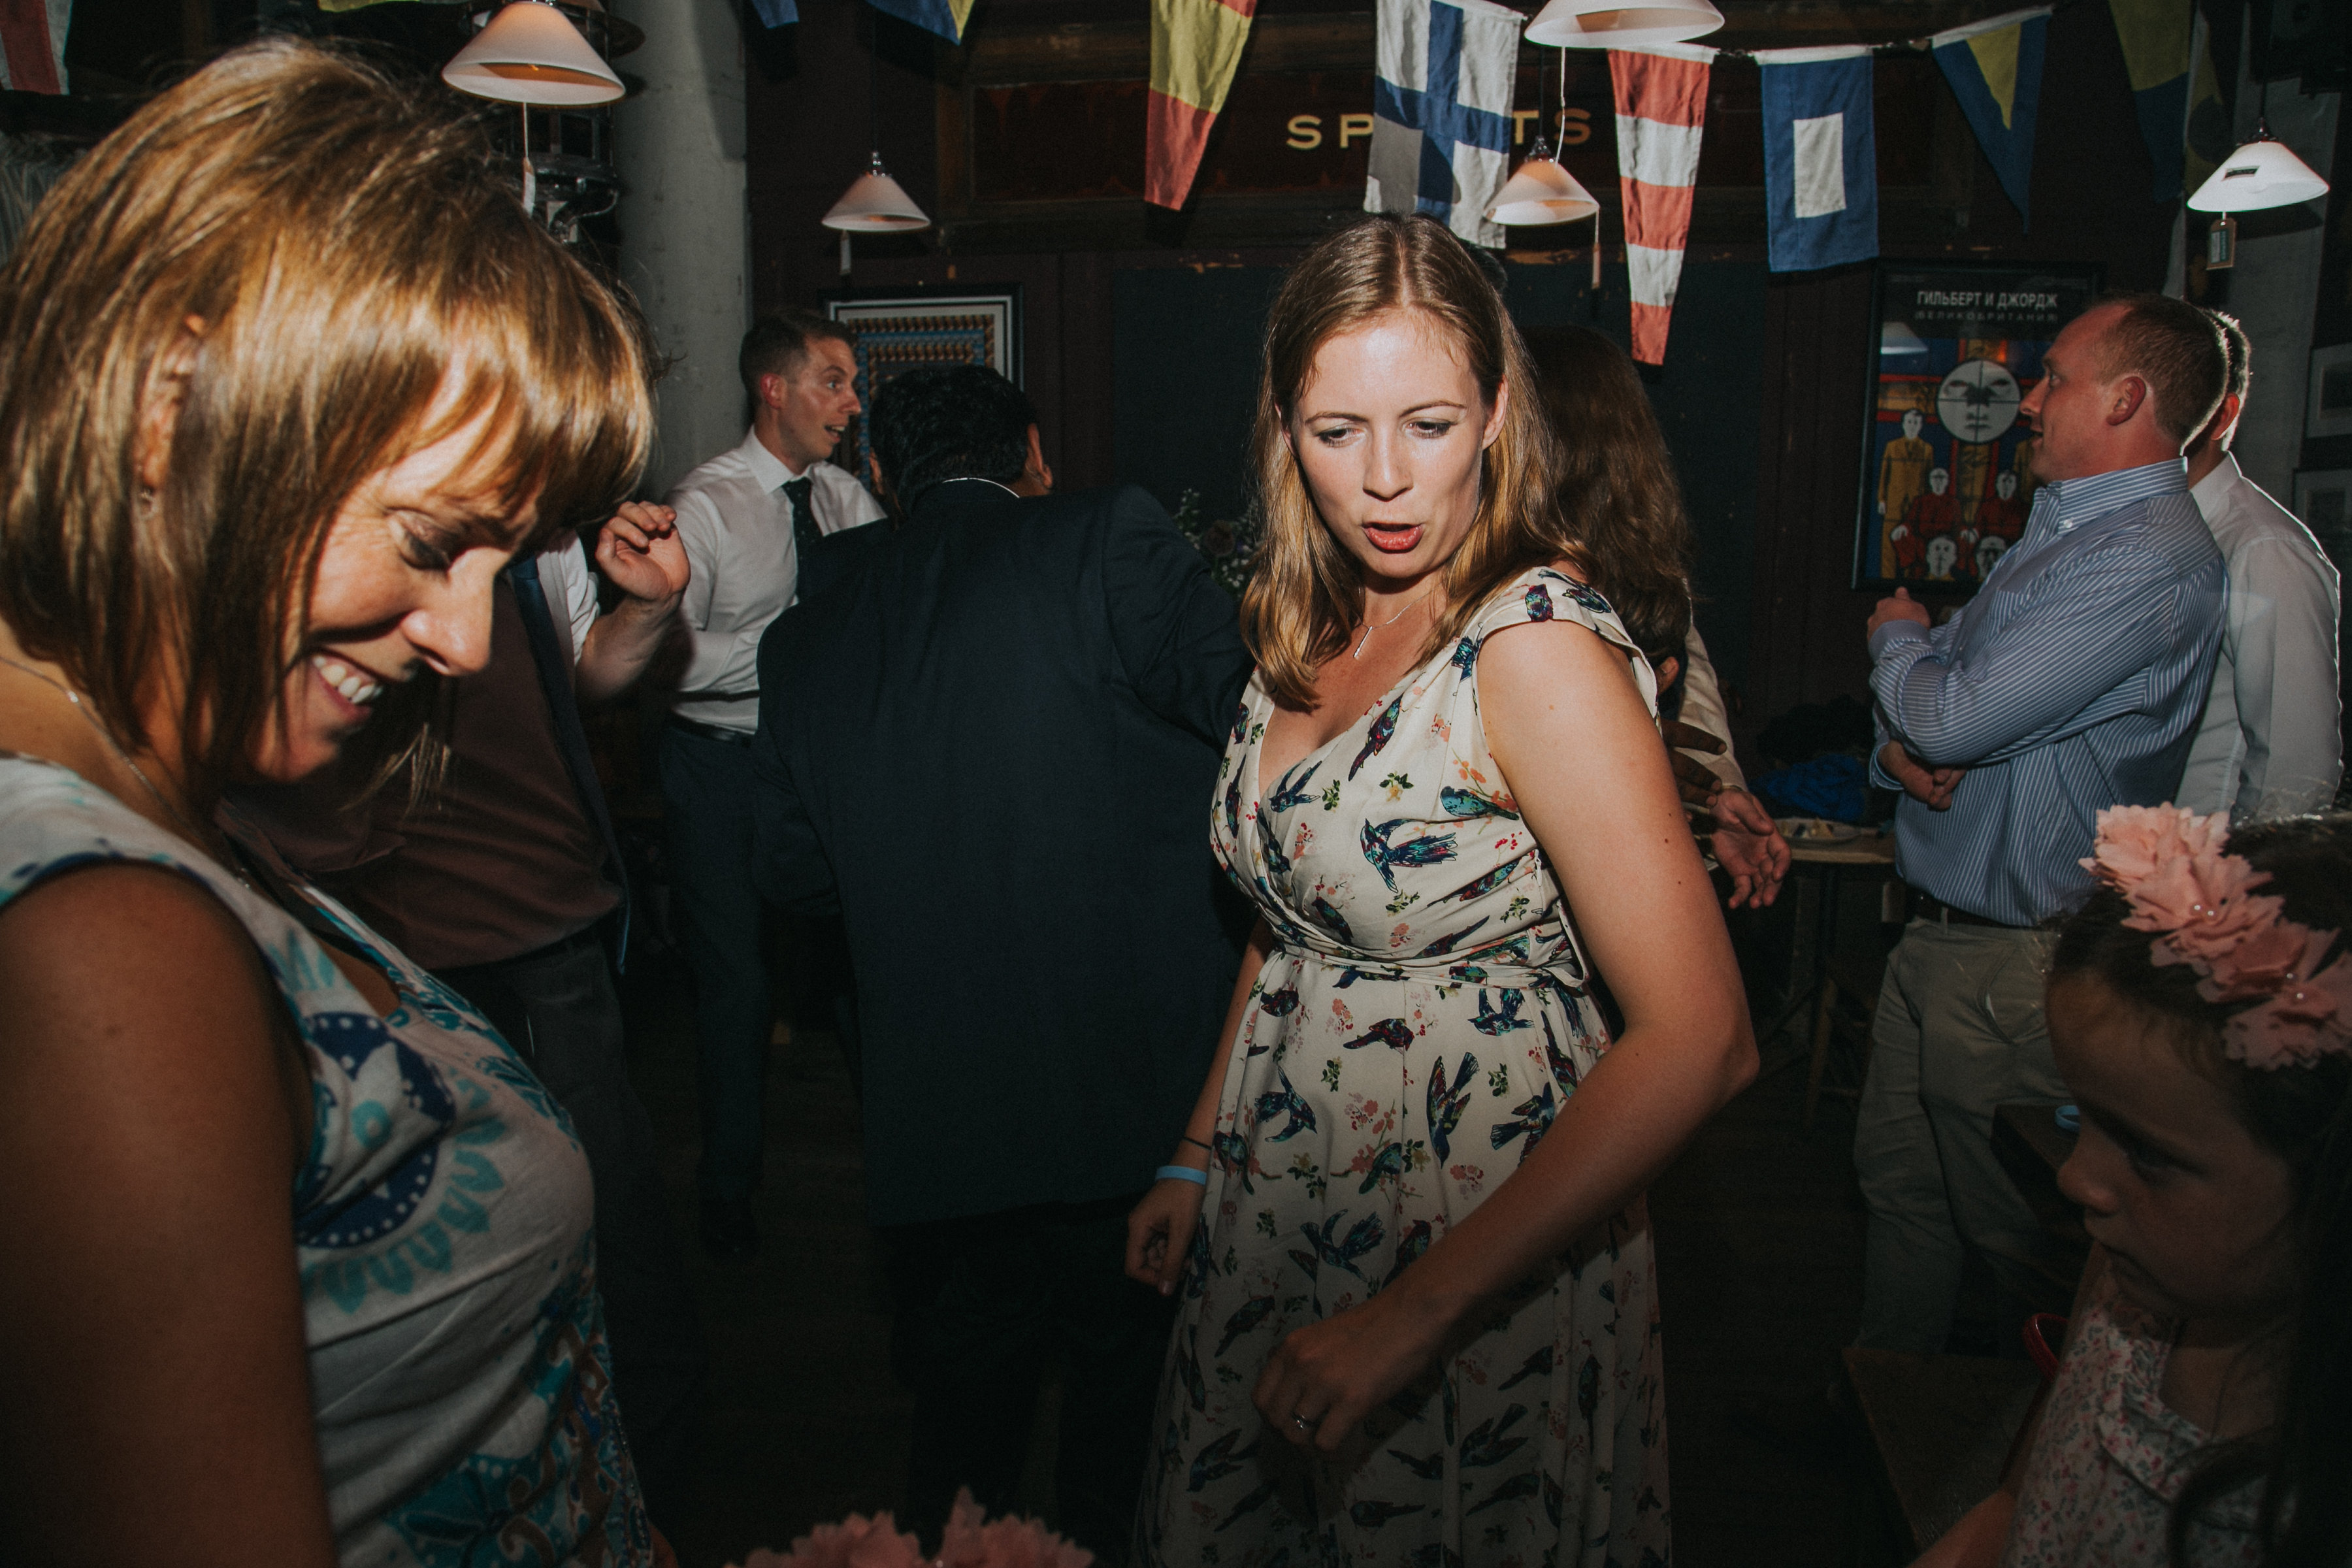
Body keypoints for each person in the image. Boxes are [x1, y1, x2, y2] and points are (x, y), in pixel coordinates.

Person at [0, 41, 666, 1566]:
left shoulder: (144, 811)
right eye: (435, 541)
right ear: (173, 407)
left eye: (505, 565)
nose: (469, 639)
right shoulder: (98, 935)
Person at [1124, 214, 1757, 1567]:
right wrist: (1197, 1145)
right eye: (1336, 430)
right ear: (1284, 428)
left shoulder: (1531, 648)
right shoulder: (1317, 617)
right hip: (1286, 1177)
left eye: (1428, 421)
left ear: (1500, 411)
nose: (1387, 480)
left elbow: (1705, 1041)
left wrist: (1410, 1316)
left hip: (1468, 1221)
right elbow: (1296, 922)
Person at [749, 365, 1252, 1553]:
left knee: (962, 1436)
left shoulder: (807, 633)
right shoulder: (1102, 536)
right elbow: (1257, 727)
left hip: (944, 1107)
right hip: (1137, 1092)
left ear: (880, 478)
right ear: (1033, 453)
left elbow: (790, 876)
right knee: (1126, 1435)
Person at [234, 504, 708, 1527]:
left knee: (620, 1283)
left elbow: (573, 683)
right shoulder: (292, 509)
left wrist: (647, 610)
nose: (461, 630)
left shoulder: (536, 534)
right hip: (382, 946)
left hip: (542, 941)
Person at [1855, 292, 2229, 1358]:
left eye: (2053, 377)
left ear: (2127, 397)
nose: (2029, 399)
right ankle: (1883, 1411)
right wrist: (1900, 747)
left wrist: (1895, 637)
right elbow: (1939, 724)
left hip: (2017, 959)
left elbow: (1955, 707)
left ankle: (2018, 1470)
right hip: (1946, 933)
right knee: (1904, 1192)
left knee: (2018, 1234)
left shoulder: (2144, 559)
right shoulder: (2069, 532)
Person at [1913, 808, 2352, 1568]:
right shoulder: (2123, 1291)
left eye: (2148, 1154)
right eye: (2083, 1118)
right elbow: (2018, 1500)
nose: (2075, 1178)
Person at [662, 308, 885, 1258]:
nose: (851, 401)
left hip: (820, 769)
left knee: (859, 978)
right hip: (719, 767)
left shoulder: (847, 502)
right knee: (739, 988)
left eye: (852, 383)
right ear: (774, 389)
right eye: (833, 380)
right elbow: (668, 658)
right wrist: (790, 652)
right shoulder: (705, 505)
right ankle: (726, 1196)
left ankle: (903, 1187)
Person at [1526, 322, 1789, 908]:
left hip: (1610, 900)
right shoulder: (1463, 571)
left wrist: (1714, 801)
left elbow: (1696, 723)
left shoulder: (1647, 579)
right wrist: (1628, 764)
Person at [2176, 308, 2344, 825]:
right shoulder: (2161, 532)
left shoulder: (2263, 549)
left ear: (2220, 415)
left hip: (2198, 878)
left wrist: (2228, 891)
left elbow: (2295, 774)